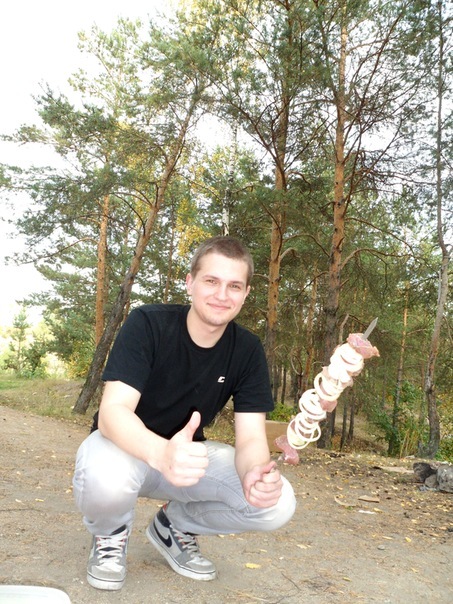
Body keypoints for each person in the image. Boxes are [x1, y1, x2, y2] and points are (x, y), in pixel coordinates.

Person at [73, 235, 296, 591]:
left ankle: (173, 526)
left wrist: (255, 472)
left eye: (234, 285)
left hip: (185, 462)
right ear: (190, 282)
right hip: (127, 451)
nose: (222, 295)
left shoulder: (248, 350)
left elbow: (251, 437)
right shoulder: (148, 323)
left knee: (277, 503)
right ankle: (109, 536)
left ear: (245, 293)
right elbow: (113, 412)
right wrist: (161, 452)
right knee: (104, 470)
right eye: (211, 281)